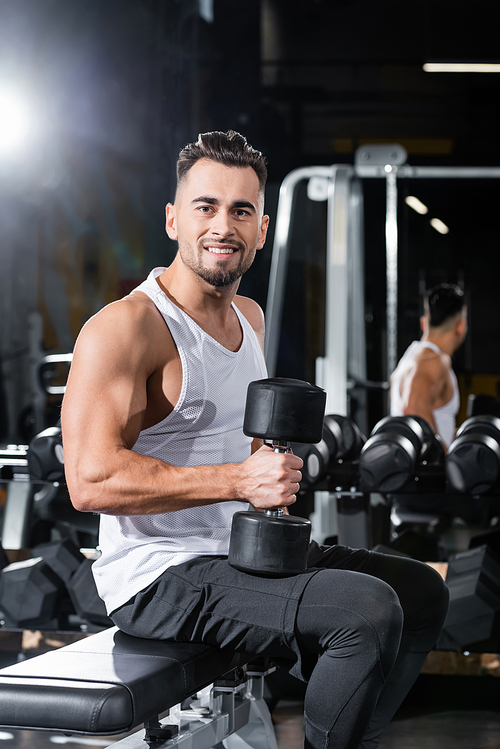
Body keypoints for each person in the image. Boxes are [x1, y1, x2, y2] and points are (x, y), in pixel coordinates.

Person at [61, 130, 449, 749]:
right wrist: (240, 480)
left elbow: (236, 446)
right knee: (364, 615)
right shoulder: (127, 329)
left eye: (241, 210)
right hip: (159, 577)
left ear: (262, 229)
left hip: (240, 553)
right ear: (173, 220)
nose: (224, 225)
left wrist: (269, 471)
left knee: (422, 592)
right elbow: (89, 480)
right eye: (205, 207)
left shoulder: (250, 318)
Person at [390, 283, 467, 450]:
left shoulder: (409, 358)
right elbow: (413, 410)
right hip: (427, 474)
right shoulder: (434, 361)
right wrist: (447, 463)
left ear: (424, 323)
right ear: (460, 326)